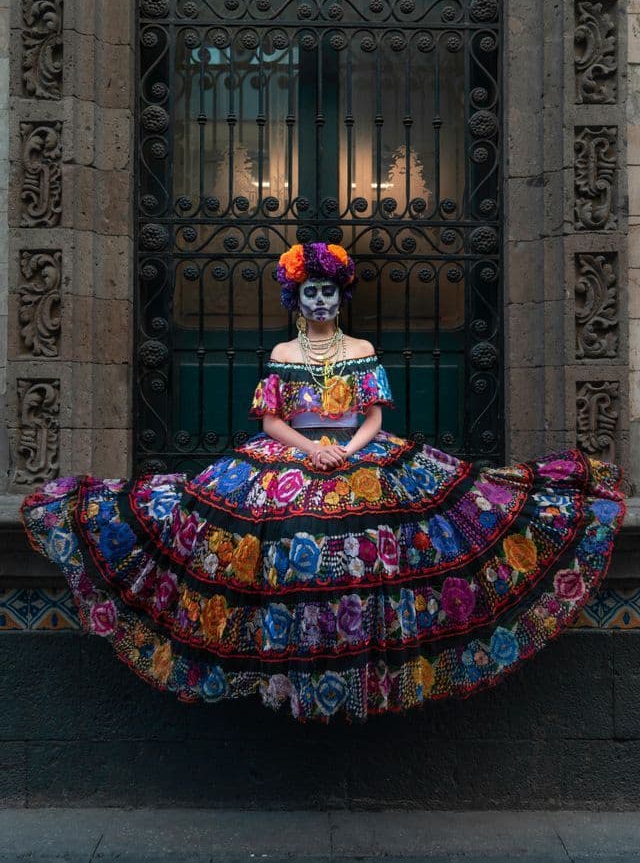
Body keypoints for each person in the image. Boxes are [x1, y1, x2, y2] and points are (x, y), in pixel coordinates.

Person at [20, 242, 626, 723]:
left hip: (359, 454)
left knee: (430, 526)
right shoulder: (284, 353)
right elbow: (272, 419)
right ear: (295, 296)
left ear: (340, 296)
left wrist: (347, 454)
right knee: (221, 525)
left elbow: (374, 416)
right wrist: (312, 450)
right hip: (294, 452)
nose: (319, 301)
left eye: (327, 292)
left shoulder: (360, 347)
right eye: (309, 291)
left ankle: (368, 669)